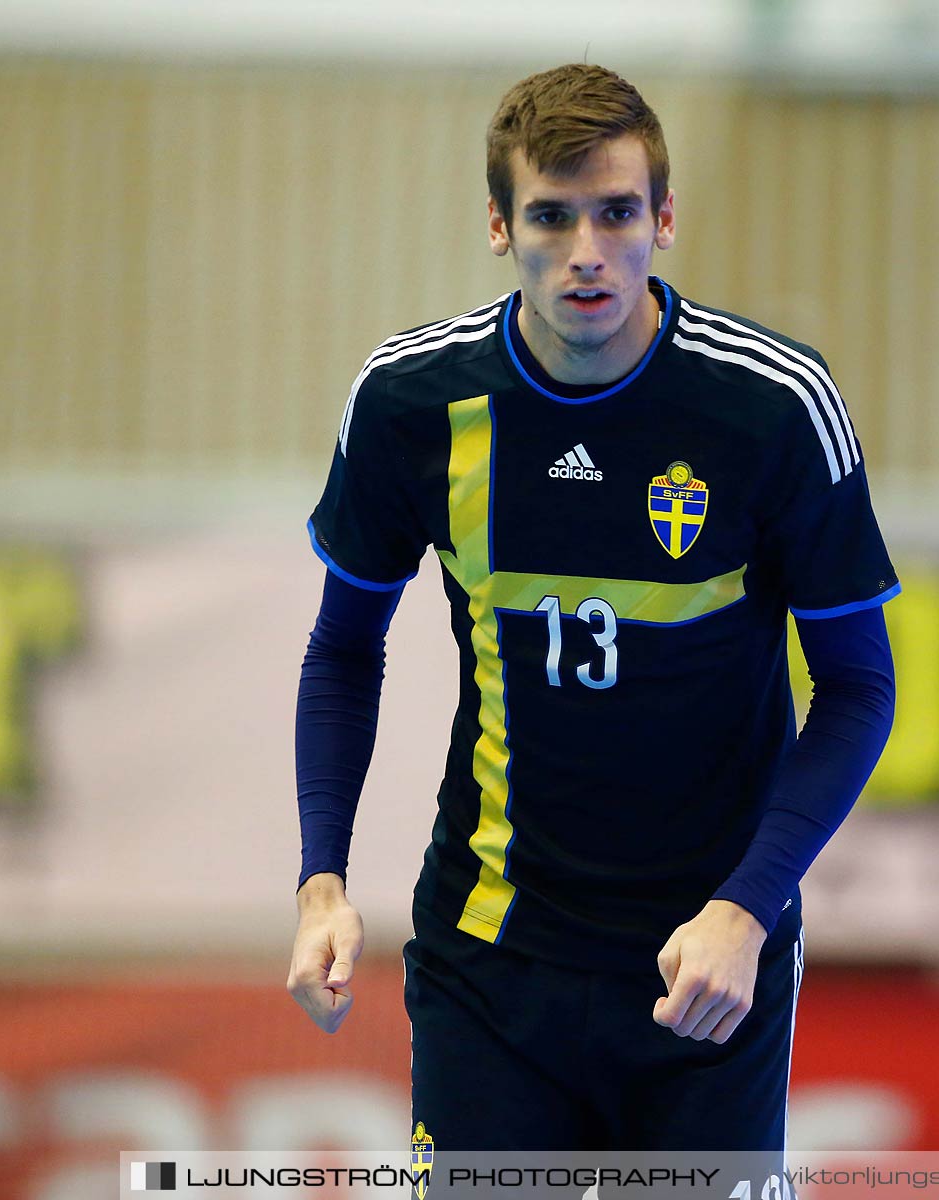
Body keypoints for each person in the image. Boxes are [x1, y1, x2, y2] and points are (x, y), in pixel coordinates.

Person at [285, 63, 899, 1154]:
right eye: (550, 216)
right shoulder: (413, 403)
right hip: (490, 961)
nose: (586, 252)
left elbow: (857, 689)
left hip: (705, 965)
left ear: (664, 219)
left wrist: (747, 910)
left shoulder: (773, 408)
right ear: (497, 225)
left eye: (616, 213)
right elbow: (342, 651)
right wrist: (321, 884)